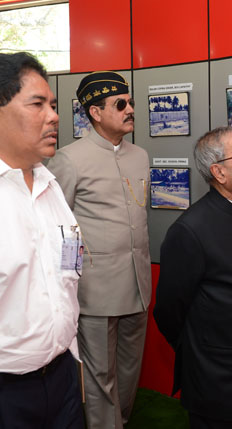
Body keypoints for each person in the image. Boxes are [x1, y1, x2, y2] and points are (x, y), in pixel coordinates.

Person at [154, 127, 232, 429]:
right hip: (218, 385)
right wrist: (205, 355)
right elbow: (168, 312)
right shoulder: (189, 231)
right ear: (219, 172)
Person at [47, 71, 151, 429]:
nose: (129, 109)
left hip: (138, 285)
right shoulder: (69, 159)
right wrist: (67, 282)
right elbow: (57, 227)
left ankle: (119, 421)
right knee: (98, 374)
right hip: (95, 288)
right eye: (120, 104)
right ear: (95, 112)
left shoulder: (140, 156)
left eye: (130, 102)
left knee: (128, 369)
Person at [0, 52, 84, 428]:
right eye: (37, 104)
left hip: (63, 376)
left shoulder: (51, 188)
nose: (54, 116)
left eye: (53, 104)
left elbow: (67, 276)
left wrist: (73, 364)